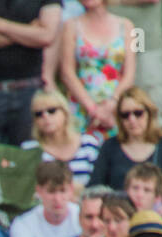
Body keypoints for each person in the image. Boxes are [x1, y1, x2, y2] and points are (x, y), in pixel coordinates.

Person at [0, 0, 60, 146]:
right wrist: (29, 31)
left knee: (28, 154)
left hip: (29, 90)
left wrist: (1, 26)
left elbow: (47, 36)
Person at [86, 87, 162, 217]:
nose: (132, 119)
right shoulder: (109, 146)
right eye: (125, 115)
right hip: (117, 216)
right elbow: (96, 187)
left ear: (149, 113)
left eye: (138, 113)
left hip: (154, 215)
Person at [58, 0, 134, 137]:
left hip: (116, 105)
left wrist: (112, 103)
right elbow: (67, 72)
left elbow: (130, 73)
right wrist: (93, 110)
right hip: (82, 105)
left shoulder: (128, 26)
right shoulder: (70, 26)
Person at [10, 161, 81, 237]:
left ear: (71, 190)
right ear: (39, 191)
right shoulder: (23, 222)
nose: (57, 199)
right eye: (51, 192)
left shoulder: (82, 217)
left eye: (62, 191)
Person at [23, 90, 102, 194]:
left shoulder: (88, 143)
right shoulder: (29, 149)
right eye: (38, 114)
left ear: (65, 112)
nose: (45, 116)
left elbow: (99, 183)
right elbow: (29, 191)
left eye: (51, 111)